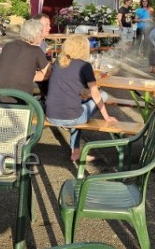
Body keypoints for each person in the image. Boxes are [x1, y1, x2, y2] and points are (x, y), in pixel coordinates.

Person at [46, 34, 118, 162]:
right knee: (103, 95)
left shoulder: (58, 62)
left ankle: (76, 152)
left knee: (77, 104)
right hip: (73, 117)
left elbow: (68, 86)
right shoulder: (85, 66)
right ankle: (75, 152)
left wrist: (84, 93)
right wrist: (107, 117)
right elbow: (96, 94)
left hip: (50, 115)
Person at [0, 19, 50, 96]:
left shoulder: (8, 46)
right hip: (20, 100)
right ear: (37, 34)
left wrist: (26, 74)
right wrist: (29, 75)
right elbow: (47, 74)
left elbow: (8, 68)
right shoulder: (36, 51)